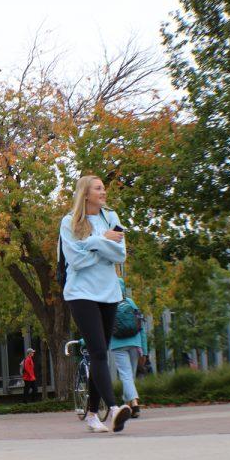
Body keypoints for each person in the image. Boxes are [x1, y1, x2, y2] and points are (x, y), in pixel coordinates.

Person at [59, 175, 131, 433]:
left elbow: (119, 255)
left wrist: (89, 245)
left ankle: (91, 414)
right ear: (85, 194)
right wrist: (102, 242)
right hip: (81, 294)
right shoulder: (69, 222)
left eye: (103, 188)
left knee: (100, 353)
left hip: (109, 293)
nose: (104, 192)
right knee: (98, 352)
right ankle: (113, 409)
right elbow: (75, 262)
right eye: (98, 188)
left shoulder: (111, 218)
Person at [109, 277, 148, 417]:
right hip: (135, 343)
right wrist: (144, 349)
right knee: (129, 376)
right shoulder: (130, 303)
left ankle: (135, 404)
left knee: (126, 376)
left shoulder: (108, 304)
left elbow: (101, 328)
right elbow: (141, 325)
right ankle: (128, 405)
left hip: (117, 344)